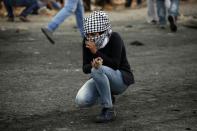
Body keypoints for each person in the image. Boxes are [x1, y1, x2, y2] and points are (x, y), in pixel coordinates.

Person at [75, 11, 134, 123]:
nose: (90, 37)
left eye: (94, 34)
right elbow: (85, 68)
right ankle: (107, 95)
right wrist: (92, 65)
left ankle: (108, 109)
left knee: (97, 70)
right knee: (81, 100)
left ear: (103, 31)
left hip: (120, 79)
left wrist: (96, 52)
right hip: (99, 75)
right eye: (88, 34)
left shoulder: (115, 38)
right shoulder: (87, 41)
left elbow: (115, 64)